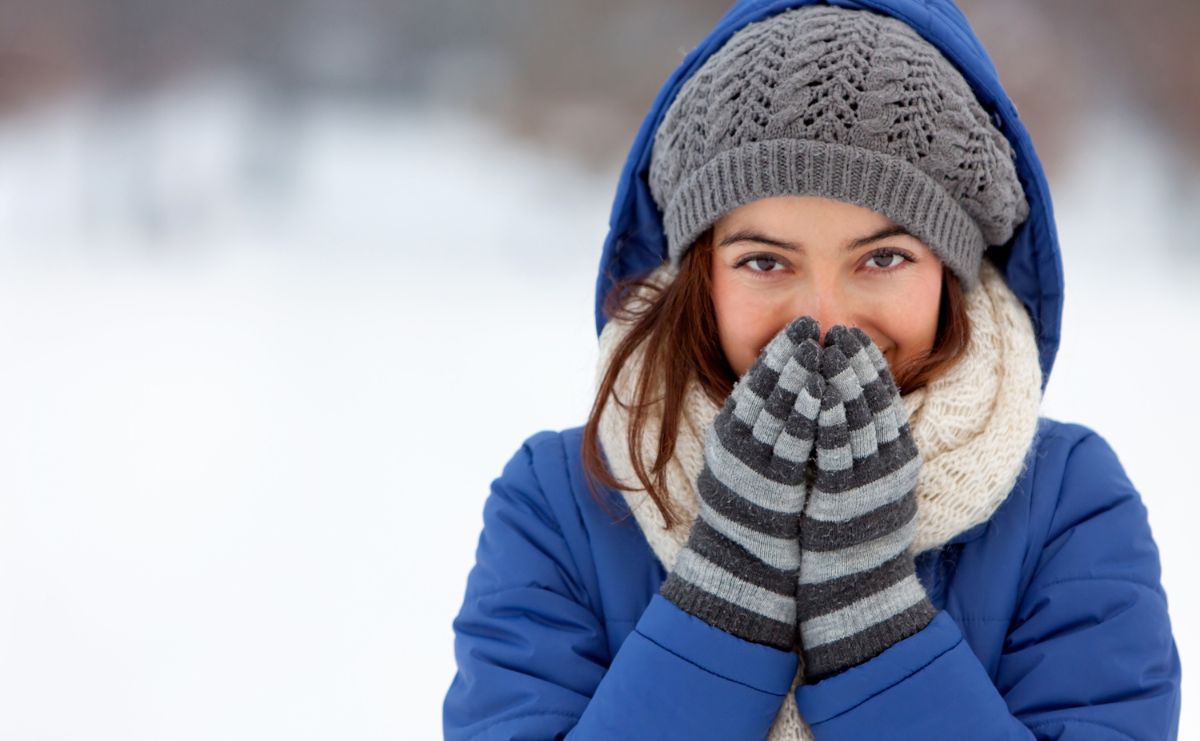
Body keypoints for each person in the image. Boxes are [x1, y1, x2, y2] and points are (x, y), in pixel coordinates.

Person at [443, 2, 1183, 739]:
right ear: (701, 275)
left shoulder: (1065, 504)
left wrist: (878, 634)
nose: (825, 320)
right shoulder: (562, 503)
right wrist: (724, 604)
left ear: (951, 274)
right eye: (765, 261)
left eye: (883, 258)